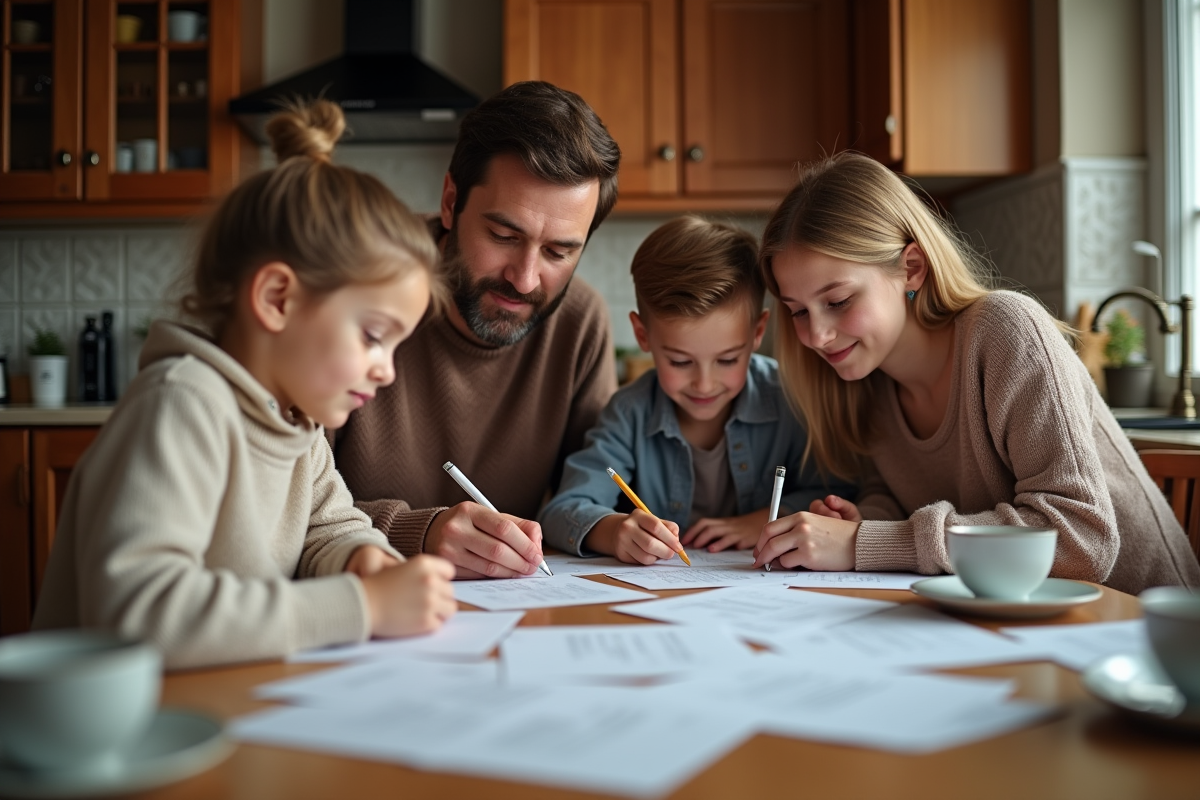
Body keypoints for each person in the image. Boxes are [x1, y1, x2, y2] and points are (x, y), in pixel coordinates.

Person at [32, 100, 458, 669]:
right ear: (277, 299)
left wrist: (363, 559)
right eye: (374, 336)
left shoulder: (297, 419)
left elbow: (329, 527)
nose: (387, 369)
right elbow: (138, 612)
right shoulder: (184, 405)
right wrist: (360, 605)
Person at [751, 151, 1200, 594]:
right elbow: (891, 492)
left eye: (838, 302)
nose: (816, 336)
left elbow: (1081, 539)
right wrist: (862, 521)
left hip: (1142, 624)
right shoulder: (864, 380)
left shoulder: (1006, 331)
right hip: (1018, 616)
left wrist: (867, 542)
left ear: (911, 268)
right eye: (797, 312)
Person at [334, 81, 621, 580]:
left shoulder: (579, 323)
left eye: (559, 252)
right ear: (451, 202)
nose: (525, 278)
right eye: (504, 236)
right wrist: (416, 532)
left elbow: (589, 496)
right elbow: (281, 503)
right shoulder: (353, 288)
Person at [540, 216, 851, 563]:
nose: (704, 384)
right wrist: (615, 531)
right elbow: (563, 510)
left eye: (728, 360)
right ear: (643, 335)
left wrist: (762, 522)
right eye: (680, 362)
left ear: (758, 332)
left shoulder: (790, 399)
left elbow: (833, 493)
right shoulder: (629, 413)